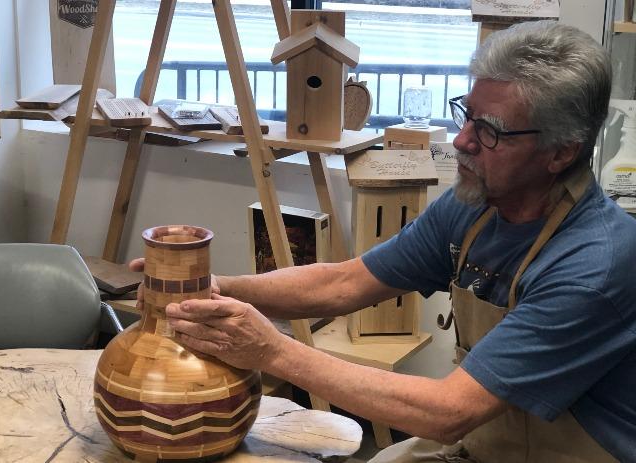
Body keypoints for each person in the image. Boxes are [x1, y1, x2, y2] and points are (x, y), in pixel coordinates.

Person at [131, 20, 636, 462]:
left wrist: (272, 353)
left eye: (491, 131)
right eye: (467, 114)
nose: (461, 140)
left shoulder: (595, 263)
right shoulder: (473, 206)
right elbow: (343, 283)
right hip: (483, 442)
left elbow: (449, 412)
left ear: (560, 152)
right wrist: (213, 287)